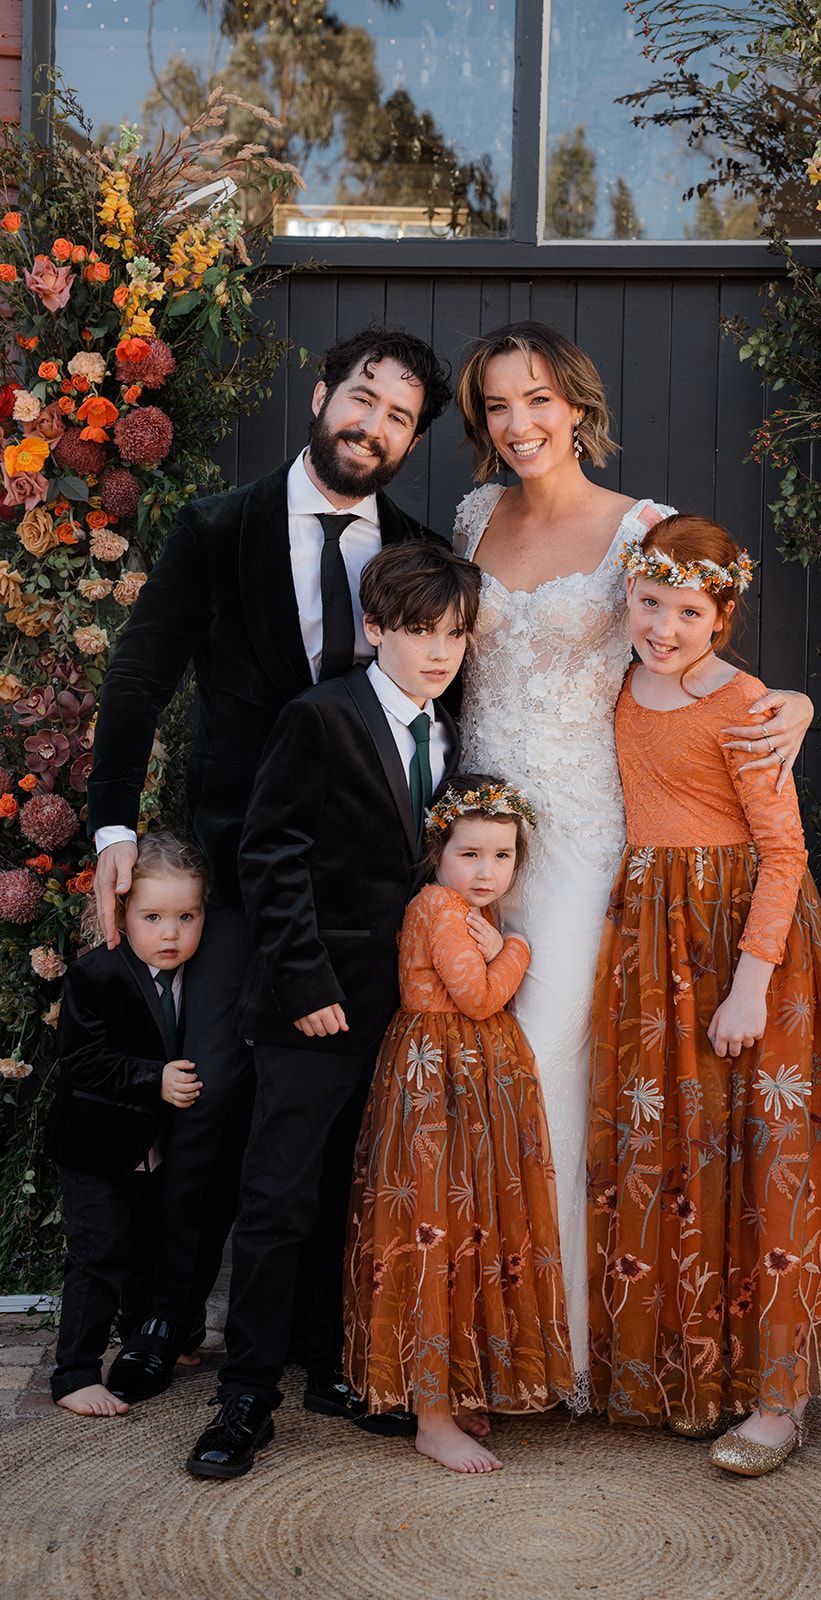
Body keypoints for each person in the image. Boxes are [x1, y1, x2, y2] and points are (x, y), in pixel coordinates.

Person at [452, 321, 815, 1406]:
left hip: (581, 833)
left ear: (577, 403)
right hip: (476, 829)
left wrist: (788, 701)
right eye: (495, 406)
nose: (518, 425)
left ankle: (560, 1351)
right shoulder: (474, 515)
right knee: (470, 1060)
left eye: (536, 401)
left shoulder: (640, 527)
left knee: (547, 1064)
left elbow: (693, 641)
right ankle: (481, 1330)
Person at [91, 326, 454, 1403]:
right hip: (239, 867)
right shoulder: (217, 527)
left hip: (362, 900)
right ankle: (167, 1316)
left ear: (411, 440)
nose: (371, 424)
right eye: (361, 397)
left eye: (397, 416)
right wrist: (114, 831)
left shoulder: (418, 555)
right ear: (319, 392)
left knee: (335, 1120)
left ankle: (310, 1337)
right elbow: (139, 678)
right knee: (210, 1097)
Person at [587, 514, 821, 1476]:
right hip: (654, 942)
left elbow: (785, 852)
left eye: (686, 612)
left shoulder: (745, 703)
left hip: (744, 943)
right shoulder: (624, 685)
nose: (662, 627)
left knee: (763, 1154)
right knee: (677, 1150)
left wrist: (751, 982)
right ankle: (690, 1368)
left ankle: (779, 1398)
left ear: (722, 617)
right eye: (649, 603)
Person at [186, 540, 479, 1480]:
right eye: (421, 633)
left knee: (352, 1194)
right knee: (278, 1196)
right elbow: (268, 858)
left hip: (406, 1007)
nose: (438, 653)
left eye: (456, 637)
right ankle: (245, 1398)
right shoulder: (320, 717)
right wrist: (305, 985)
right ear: (374, 628)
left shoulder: (455, 729)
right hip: (312, 1005)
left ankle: (330, 1371)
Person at [345, 775, 573, 1474]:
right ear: (437, 852)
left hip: (466, 1076)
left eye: (501, 857)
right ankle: (431, 1417)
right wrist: (518, 952)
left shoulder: (461, 908)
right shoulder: (439, 906)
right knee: (434, 1228)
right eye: (469, 853)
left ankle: (448, 1393)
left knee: (467, 1226)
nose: (485, 871)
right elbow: (476, 999)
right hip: (437, 1077)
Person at [45, 832, 208, 1417]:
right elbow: (82, 1062)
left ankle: (151, 1338)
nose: (170, 933)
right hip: (98, 1146)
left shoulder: (202, 974)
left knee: (150, 1248)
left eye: (186, 916)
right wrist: (153, 1077)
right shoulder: (97, 975)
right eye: (154, 917)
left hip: (156, 1148)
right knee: (99, 1253)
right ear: (121, 913)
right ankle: (75, 1372)